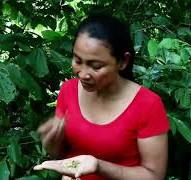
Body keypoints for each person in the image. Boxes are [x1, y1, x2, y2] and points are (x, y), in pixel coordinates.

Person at [34, 14, 169, 180]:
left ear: (123, 61)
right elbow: (64, 154)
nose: (83, 74)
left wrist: (98, 166)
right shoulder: (68, 90)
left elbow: (154, 176)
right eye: (77, 61)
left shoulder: (148, 104)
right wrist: (53, 143)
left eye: (95, 66)